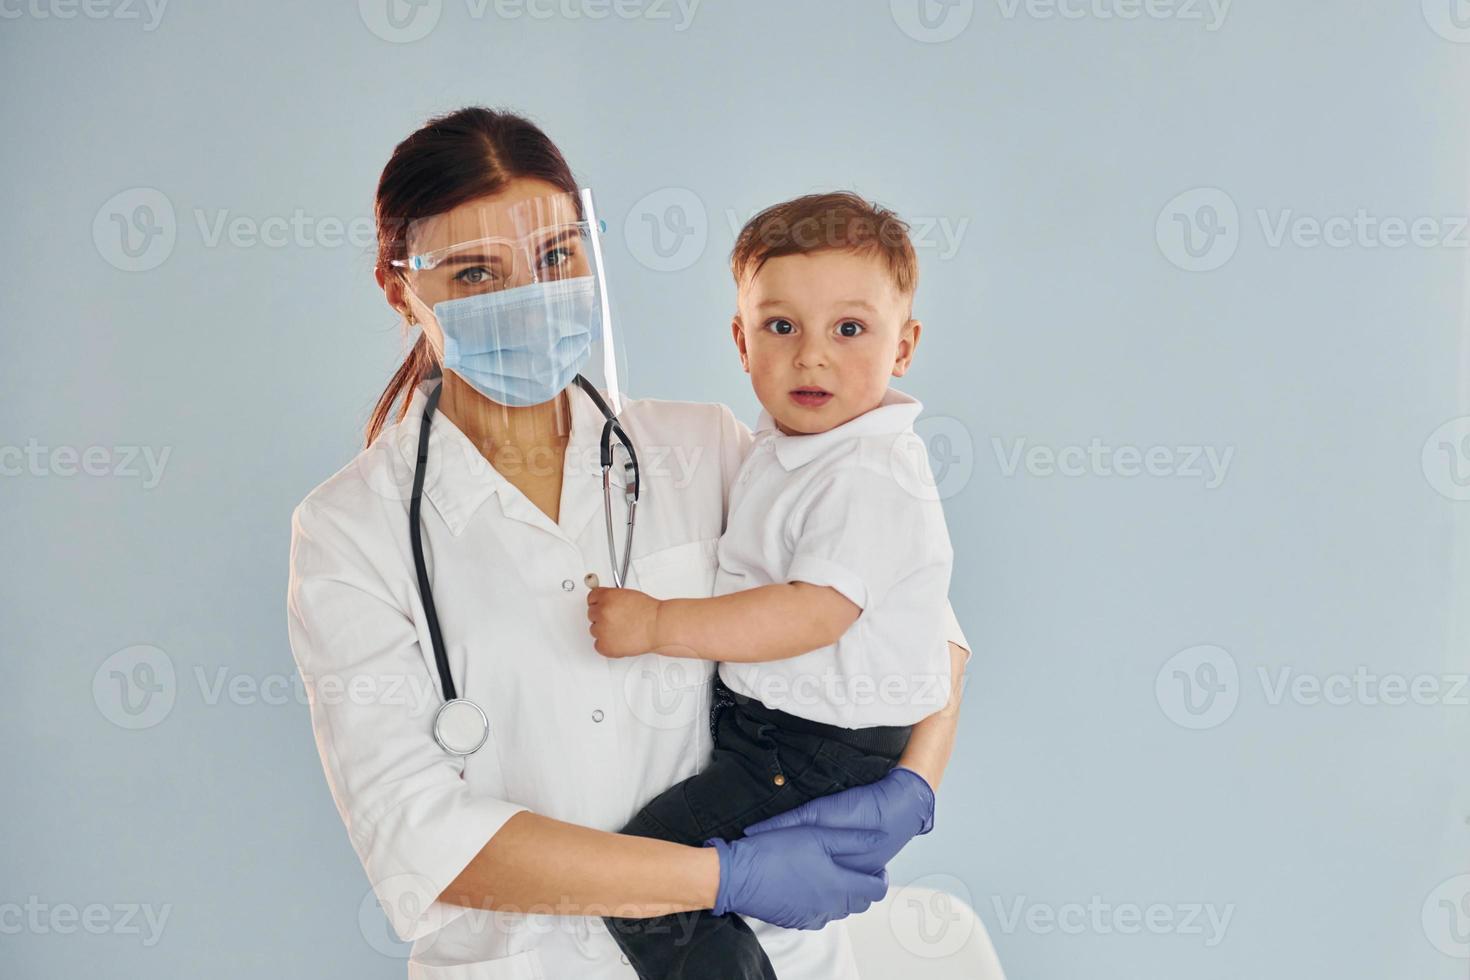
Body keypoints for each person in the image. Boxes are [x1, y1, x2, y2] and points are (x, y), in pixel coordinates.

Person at [285, 106, 972, 979]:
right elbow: (424, 834)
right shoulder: (352, 532)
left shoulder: (707, 448)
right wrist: (718, 876)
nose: (527, 296)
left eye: (555, 258)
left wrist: (916, 785)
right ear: (401, 286)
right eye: (475, 272)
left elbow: (915, 612)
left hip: (778, 952)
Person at [589, 192, 955, 979]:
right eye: (780, 326)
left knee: (643, 875)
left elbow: (814, 612)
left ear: (905, 345)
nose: (811, 355)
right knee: (673, 877)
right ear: (740, 340)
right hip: (782, 732)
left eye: (849, 329)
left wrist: (658, 625)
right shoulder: (790, 447)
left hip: (811, 748)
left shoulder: (869, 470)